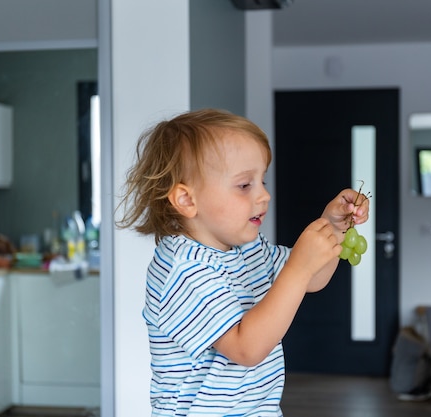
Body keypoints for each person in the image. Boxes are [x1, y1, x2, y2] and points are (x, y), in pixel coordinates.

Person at [116, 108, 369, 416]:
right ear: (186, 200)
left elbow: (311, 279)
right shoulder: (182, 269)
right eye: (244, 185)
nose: (264, 196)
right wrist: (299, 267)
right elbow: (246, 348)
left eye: (262, 181)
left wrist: (333, 225)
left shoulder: (245, 250)